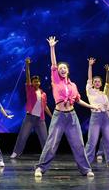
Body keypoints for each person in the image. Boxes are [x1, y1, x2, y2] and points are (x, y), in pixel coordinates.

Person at [34, 36, 101, 178]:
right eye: (60, 68)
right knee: (51, 144)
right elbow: (53, 64)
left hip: (72, 116)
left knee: (78, 144)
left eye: (64, 68)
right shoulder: (56, 81)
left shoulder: (73, 85)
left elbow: (78, 100)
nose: (62, 69)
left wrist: (92, 106)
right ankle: (40, 168)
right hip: (59, 116)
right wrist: (52, 47)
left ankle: (86, 169)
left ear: (68, 71)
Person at [10, 57, 52, 158]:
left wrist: (51, 116)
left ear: (39, 82)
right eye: (34, 81)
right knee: (23, 136)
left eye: (37, 81)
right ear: (32, 83)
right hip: (30, 117)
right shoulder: (30, 90)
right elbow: (28, 77)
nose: (36, 83)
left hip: (40, 119)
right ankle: (16, 152)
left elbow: (45, 106)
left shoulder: (43, 94)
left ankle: (46, 154)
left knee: (44, 138)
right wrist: (27, 65)